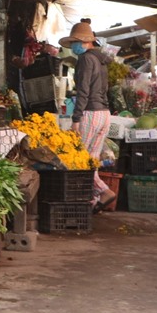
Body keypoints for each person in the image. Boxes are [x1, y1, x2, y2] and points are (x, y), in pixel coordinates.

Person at [59, 20, 114, 210]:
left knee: (79, 157)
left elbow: (83, 91)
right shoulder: (101, 59)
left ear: (84, 42)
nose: (73, 46)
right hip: (104, 114)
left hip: (90, 113)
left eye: (75, 42)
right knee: (91, 158)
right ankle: (91, 200)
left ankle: (104, 190)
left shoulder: (85, 59)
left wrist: (76, 119)